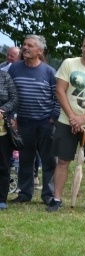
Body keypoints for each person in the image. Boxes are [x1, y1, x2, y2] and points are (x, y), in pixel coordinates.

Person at [49, 33, 85, 213]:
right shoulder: (69, 63)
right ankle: (56, 199)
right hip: (66, 121)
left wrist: (83, 118)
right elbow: (60, 91)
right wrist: (73, 117)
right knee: (63, 160)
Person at [8, 35, 59, 205]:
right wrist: (12, 116)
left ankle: (49, 194)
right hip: (23, 122)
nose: (25, 48)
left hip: (46, 122)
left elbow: (58, 98)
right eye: (24, 44)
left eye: (30, 45)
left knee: (49, 159)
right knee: (25, 159)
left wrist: (53, 118)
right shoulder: (15, 68)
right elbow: (10, 94)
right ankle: (25, 193)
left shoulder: (49, 72)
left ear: (40, 51)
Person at [0, 68, 19, 209]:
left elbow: (14, 99)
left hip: (2, 131)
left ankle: (1, 199)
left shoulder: (4, 76)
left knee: (3, 166)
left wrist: (2, 110)